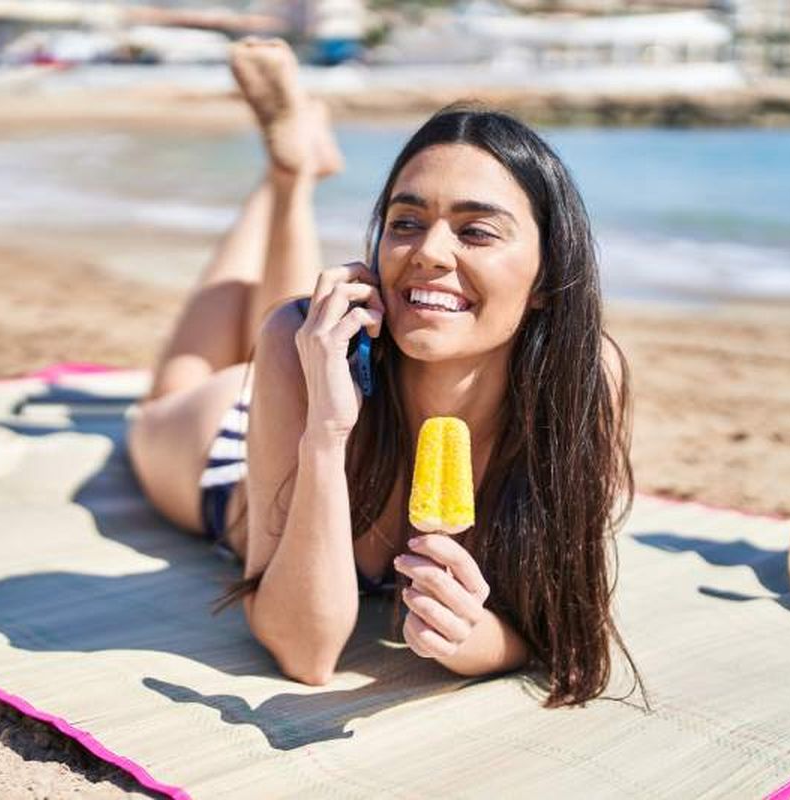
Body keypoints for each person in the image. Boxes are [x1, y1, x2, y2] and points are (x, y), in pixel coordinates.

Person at [126, 38, 643, 708]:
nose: (428, 252)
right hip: (221, 458)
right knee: (188, 381)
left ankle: (292, 166)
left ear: (547, 276)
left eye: (476, 232)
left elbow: (556, 629)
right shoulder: (299, 345)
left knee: (278, 330)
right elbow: (306, 655)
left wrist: (478, 639)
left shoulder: (582, 382)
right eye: (406, 222)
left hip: (289, 386)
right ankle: (287, 175)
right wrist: (325, 430)